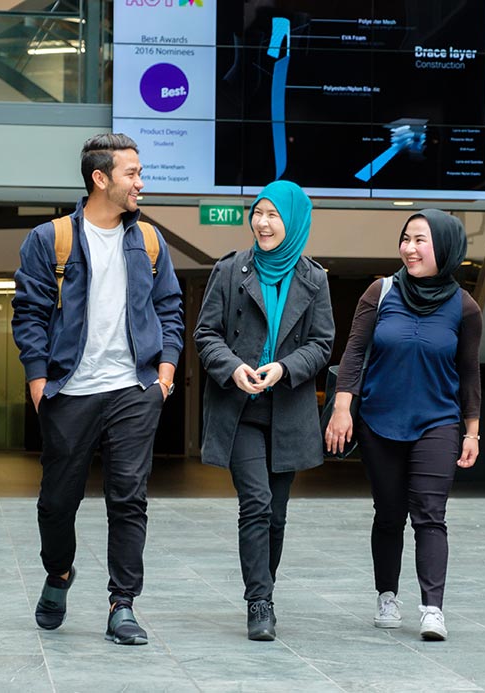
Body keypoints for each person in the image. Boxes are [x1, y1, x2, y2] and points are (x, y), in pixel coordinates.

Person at [12, 133, 184, 645]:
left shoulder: (149, 241)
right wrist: (40, 381)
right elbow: (30, 316)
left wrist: (165, 373)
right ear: (100, 178)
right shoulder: (51, 240)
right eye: (132, 173)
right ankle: (59, 572)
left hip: (133, 389)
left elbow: (170, 309)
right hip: (69, 391)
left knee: (128, 498)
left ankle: (122, 604)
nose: (141, 182)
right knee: (56, 502)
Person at [325, 209, 482, 641]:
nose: (409, 249)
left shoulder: (463, 307)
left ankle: (433, 608)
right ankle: (386, 595)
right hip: (380, 421)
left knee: (430, 515)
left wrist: (472, 430)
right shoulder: (380, 292)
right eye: (406, 239)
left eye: (420, 241)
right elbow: (354, 353)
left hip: (438, 422)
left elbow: (469, 372)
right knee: (389, 514)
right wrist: (343, 409)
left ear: (445, 249)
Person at [194, 180, 334, 641]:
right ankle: (260, 602)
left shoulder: (315, 280)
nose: (263, 223)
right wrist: (233, 368)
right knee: (255, 503)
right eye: (258, 213)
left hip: (288, 413)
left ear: (293, 221)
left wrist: (286, 368)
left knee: (276, 513)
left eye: (274, 215)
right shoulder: (231, 270)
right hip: (240, 411)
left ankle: (264, 588)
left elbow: (322, 344)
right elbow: (205, 334)